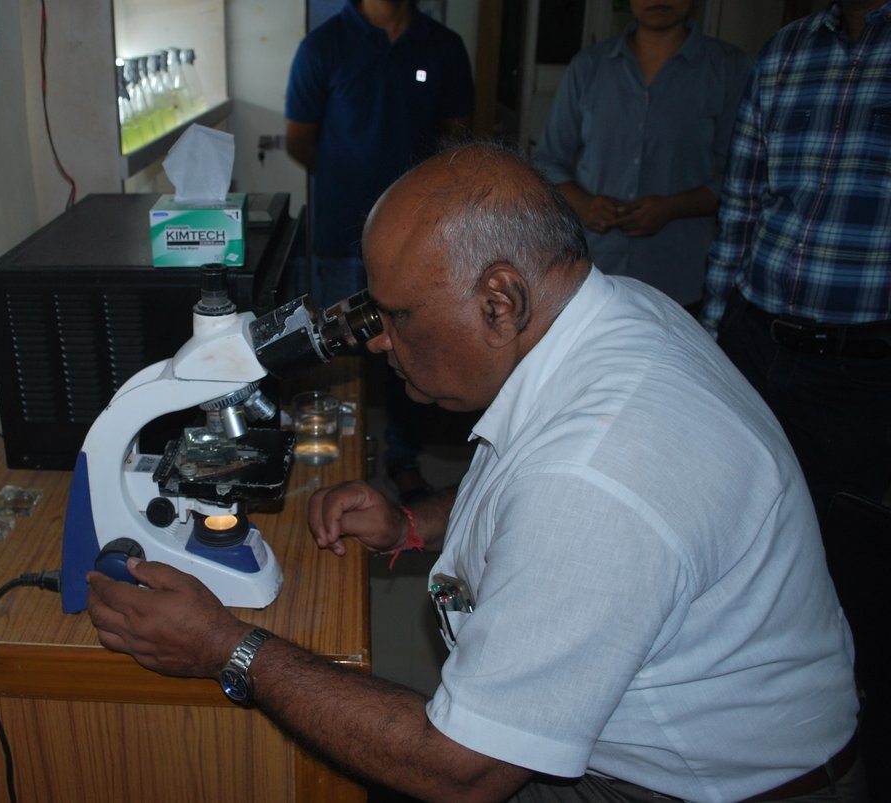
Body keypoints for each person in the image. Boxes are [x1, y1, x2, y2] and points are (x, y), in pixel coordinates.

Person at [86, 143, 863, 802]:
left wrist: (227, 646)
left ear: (500, 300)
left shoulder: (598, 478)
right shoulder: (614, 313)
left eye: (397, 316)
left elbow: (461, 771)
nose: (380, 341)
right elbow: (535, 480)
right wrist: (415, 520)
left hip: (696, 786)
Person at [700, 0, 891, 523]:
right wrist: (715, 337)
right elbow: (741, 205)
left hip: (863, 366)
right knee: (722, 506)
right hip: (755, 340)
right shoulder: (787, 51)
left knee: (830, 531)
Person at [285, 0, 475, 500]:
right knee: (337, 349)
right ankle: (336, 461)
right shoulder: (322, 47)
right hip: (340, 233)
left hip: (419, 237)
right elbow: (300, 141)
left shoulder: (444, 46)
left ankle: (402, 457)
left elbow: (455, 137)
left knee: (411, 348)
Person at [533, 0, 750, 309]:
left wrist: (673, 207)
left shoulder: (729, 68)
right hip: (593, 272)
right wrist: (584, 204)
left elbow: (742, 179)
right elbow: (548, 159)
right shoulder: (590, 66)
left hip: (678, 277)